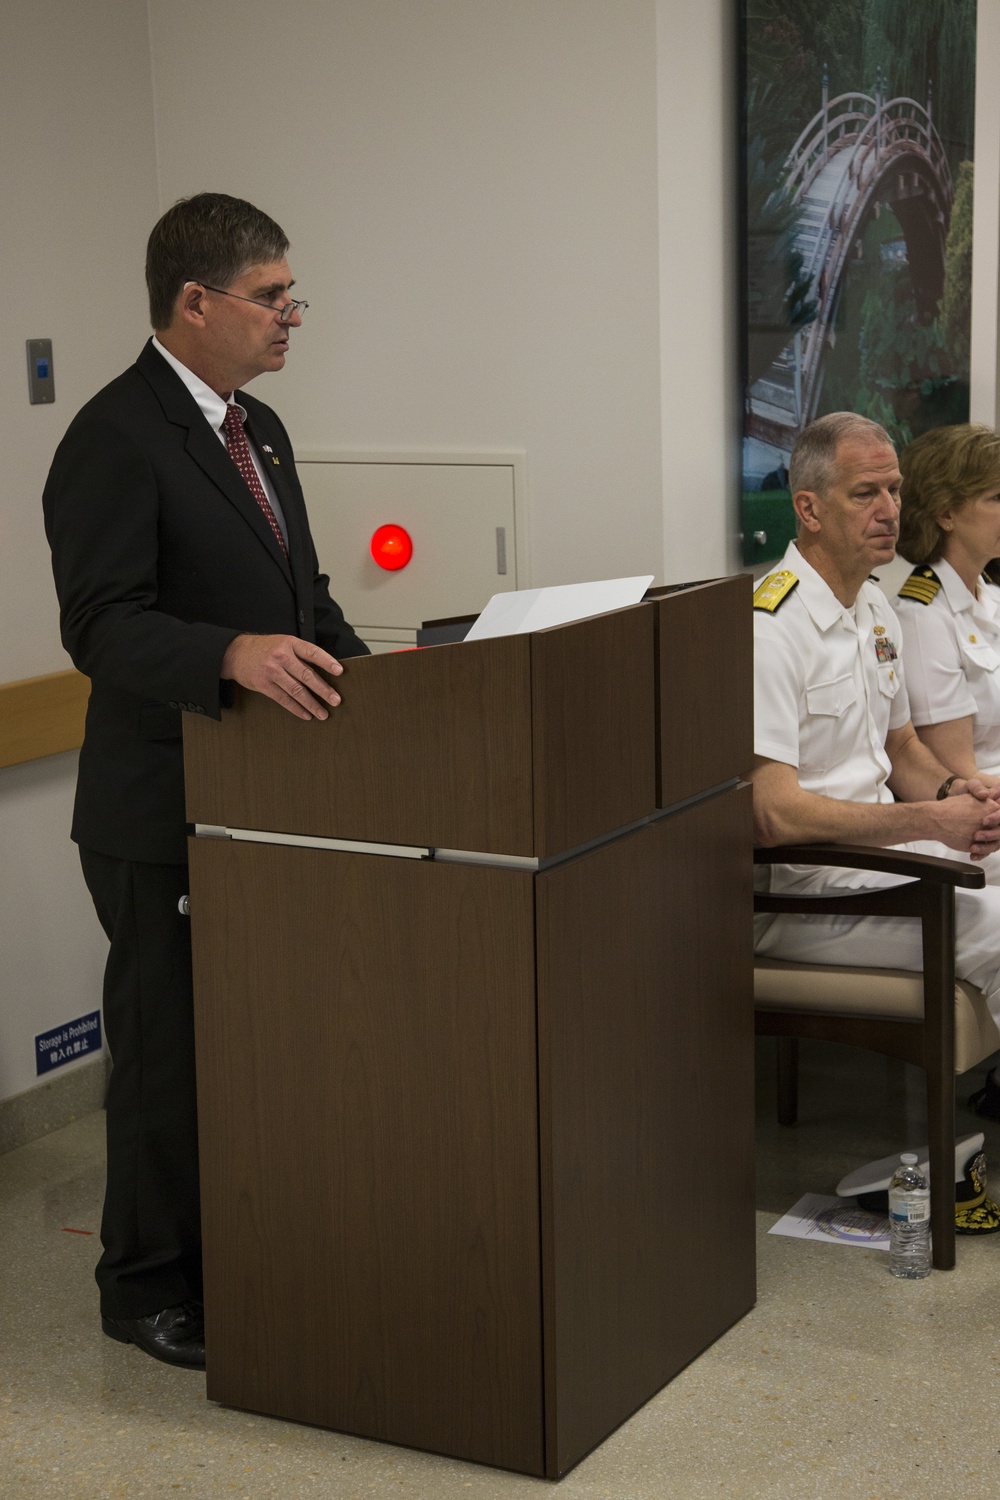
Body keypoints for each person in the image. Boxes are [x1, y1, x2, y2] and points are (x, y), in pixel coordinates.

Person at [42, 193, 369, 1370]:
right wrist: (223, 656)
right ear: (194, 302)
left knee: (249, 1044)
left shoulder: (259, 428)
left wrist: (388, 691)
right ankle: (142, 1284)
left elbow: (306, 603)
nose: (293, 318)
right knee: (169, 1052)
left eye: (292, 296)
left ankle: (229, 1244)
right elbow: (101, 624)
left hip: (263, 806)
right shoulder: (113, 436)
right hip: (156, 810)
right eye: (272, 297)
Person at [750, 411, 1000, 1080]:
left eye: (893, 489)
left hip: (883, 857)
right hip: (809, 889)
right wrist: (927, 820)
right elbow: (772, 814)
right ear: (808, 508)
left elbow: (904, 748)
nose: (891, 508)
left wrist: (954, 792)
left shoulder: (875, 610)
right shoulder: (770, 631)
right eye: (867, 493)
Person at [891, 422, 1000, 1115]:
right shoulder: (922, 611)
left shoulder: (989, 595)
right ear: (947, 513)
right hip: (975, 813)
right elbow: (956, 768)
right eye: (995, 497)